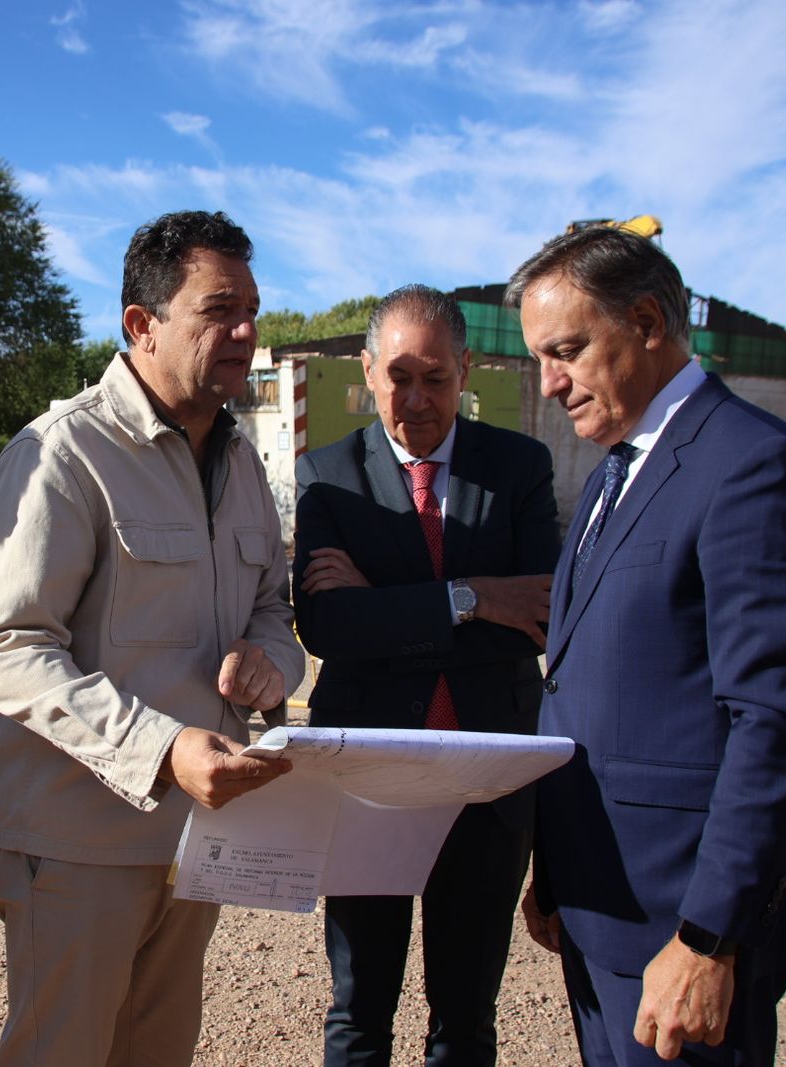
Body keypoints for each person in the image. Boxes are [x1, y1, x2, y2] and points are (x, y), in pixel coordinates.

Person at [0, 209, 307, 1067]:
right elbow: (11, 648)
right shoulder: (63, 454)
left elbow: (273, 601)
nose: (246, 332)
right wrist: (162, 749)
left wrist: (272, 662)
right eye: (220, 309)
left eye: (253, 310)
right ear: (141, 323)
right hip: (78, 843)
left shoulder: (239, 464)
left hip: (194, 840)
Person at [505, 228, 786, 1065]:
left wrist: (708, 937)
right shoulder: (610, 477)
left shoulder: (754, 467)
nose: (551, 385)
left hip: (680, 927)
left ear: (650, 322)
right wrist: (556, 866)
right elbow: (590, 684)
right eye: (541, 359)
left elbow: (772, 725)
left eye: (567, 352)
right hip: (600, 906)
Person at [293, 285, 560, 1066]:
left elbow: (539, 613)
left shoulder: (519, 468)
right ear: (368, 372)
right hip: (370, 777)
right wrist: (474, 598)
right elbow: (328, 627)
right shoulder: (327, 475)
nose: (415, 398)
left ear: (466, 370)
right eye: (399, 375)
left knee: (467, 1018)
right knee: (359, 1011)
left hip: (489, 779)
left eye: (436, 378)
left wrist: (389, 607)